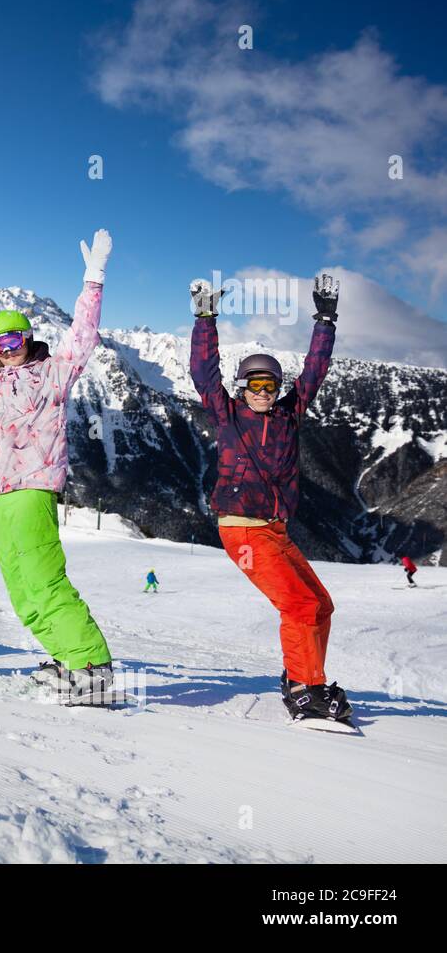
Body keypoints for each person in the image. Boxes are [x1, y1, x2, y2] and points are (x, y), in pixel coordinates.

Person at [0, 233, 115, 699]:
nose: (7, 347)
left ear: (28, 337)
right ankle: (67, 657)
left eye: (15, 337)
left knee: (43, 577)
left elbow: (83, 334)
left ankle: (92, 665)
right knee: (20, 588)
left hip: (32, 488)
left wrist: (93, 279)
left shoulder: (54, 372)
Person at [189, 273, 353, 726]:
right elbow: (204, 372)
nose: (263, 394)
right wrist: (205, 318)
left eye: (270, 387)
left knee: (319, 604)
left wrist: (325, 319)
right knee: (298, 605)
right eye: (254, 385)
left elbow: (315, 370)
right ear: (242, 386)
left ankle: (305, 675)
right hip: (240, 529)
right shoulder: (226, 415)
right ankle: (304, 688)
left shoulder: (288, 415)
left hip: (275, 529)